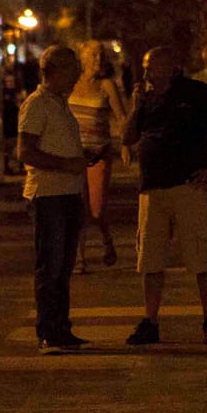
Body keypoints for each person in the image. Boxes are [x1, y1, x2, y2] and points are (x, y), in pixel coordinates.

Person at [122, 44, 207, 345]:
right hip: (152, 188)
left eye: (151, 65)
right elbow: (127, 137)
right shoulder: (146, 98)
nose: (147, 72)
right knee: (150, 259)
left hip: (189, 186)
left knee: (201, 257)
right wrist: (136, 106)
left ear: (170, 66)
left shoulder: (198, 93)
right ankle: (150, 320)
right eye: (146, 66)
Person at [17, 45, 95, 353]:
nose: (77, 78)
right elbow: (25, 151)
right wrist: (67, 164)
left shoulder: (60, 104)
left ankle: (62, 328)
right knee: (50, 265)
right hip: (48, 195)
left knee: (63, 266)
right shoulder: (36, 105)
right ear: (56, 71)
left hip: (67, 193)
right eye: (73, 71)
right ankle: (48, 330)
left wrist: (80, 159)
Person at [67, 41, 129, 272]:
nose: (96, 60)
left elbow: (121, 118)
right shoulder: (71, 84)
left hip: (99, 153)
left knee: (96, 210)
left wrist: (125, 145)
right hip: (73, 155)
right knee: (78, 207)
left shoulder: (107, 85)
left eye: (99, 56)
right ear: (82, 59)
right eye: (92, 56)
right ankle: (79, 258)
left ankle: (106, 238)